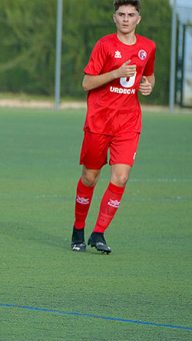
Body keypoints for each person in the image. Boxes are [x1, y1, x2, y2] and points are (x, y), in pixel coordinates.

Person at [70, 0, 155, 254]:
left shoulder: (148, 47)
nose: (126, 19)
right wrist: (115, 73)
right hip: (99, 121)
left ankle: (98, 233)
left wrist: (149, 85)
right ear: (114, 18)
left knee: (121, 177)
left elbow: (149, 75)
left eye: (131, 14)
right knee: (90, 176)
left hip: (128, 123)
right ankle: (78, 229)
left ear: (138, 18)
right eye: (121, 14)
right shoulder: (104, 45)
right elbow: (86, 83)